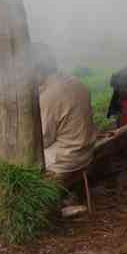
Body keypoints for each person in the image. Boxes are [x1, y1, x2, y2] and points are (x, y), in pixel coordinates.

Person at [32, 43, 96, 181]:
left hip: (67, 160)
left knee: (24, 161)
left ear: (38, 69)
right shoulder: (74, 81)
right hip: (87, 151)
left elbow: (44, 140)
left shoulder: (49, 95)